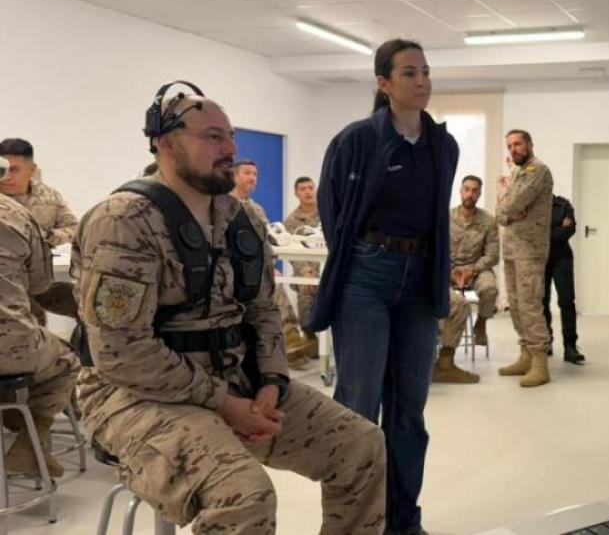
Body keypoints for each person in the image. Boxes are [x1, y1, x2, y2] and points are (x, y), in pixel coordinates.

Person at [72, 88, 385, 533]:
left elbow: (263, 311)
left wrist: (272, 383)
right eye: (213, 137)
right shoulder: (124, 221)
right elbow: (121, 353)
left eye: (231, 137)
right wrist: (224, 402)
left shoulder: (243, 219)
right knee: (245, 496)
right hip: (134, 398)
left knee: (362, 446)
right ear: (165, 143)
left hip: (237, 381)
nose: (231, 150)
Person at [309, 38, 458, 535]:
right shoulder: (357, 140)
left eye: (426, 72)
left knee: (409, 410)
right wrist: (365, 261)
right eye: (410, 73)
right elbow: (334, 215)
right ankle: (354, 523)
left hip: (419, 280)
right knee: (358, 405)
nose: (422, 82)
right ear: (384, 84)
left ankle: (402, 521)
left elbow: (436, 217)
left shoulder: (443, 145)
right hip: (366, 277)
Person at [0, 157, 78, 478]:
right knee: (67, 361)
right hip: (9, 345)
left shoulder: (50, 198)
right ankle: (29, 446)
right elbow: (40, 284)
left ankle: (17, 418)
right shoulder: (16, 215)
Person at [229, 159, 314, 367]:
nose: (252, 178)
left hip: (256, 268)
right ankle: (292, 340)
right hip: (231, 268)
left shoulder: (256, 209)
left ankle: (292, 341)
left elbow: (268, 242)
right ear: (234, 176)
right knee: (270, 284)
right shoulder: (223, 205)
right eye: (247, 173)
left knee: (273, 281)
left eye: (255, 174)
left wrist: (271, 265)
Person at [496, 129, 554, 387]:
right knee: (516, 305)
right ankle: (526, 354)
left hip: (530, 250)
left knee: (530, 305)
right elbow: (504, 209)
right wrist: (506, 210)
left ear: (530, 144)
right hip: (511, 249)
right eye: (509, 146)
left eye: (518, 144)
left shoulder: (537, 170)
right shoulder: (517, 172)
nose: (513, 149)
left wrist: (506, 208)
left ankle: (540, 362)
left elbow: (511, 204)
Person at [433, 175, 498, 384]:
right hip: (448, 270)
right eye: (467, 189)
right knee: (451, 303)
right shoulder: (446, 217)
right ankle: (441, 352)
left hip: (476, 269)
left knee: (489, 289)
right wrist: (450, 272)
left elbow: (492, 255)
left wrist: (473, 270)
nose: (470, 194)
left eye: (475, 190)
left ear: (479, 193)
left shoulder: (488, 221)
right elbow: (437, 250)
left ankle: (481, 323)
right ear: (460, 191)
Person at [0, 138, 79, 248]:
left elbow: (74, 229)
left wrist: (46, 236)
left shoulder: (49, 196)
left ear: (32, 170)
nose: (6, 177)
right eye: (2, 170)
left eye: (14, 170)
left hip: (40, 262)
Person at [543, 195, 585, 365]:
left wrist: (545, 233)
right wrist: (558, 229)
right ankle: (546, 342)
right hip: (540, 258)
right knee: (541, 301)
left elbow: (570, 229)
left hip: (562, 258)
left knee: (567, 301)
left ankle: (570, 346)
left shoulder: (563, 204)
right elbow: (531, 233)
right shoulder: (533, 205)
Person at [282, 176, 321, 352]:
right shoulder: (291, 221)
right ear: (296, 193)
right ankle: (310, 336)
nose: (307, 192)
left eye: (310, 188)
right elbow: (293, 253)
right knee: (304, 286)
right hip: (305, 270)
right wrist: (306, 270)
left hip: (328, 267)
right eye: (303, 189)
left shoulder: (328, 212)